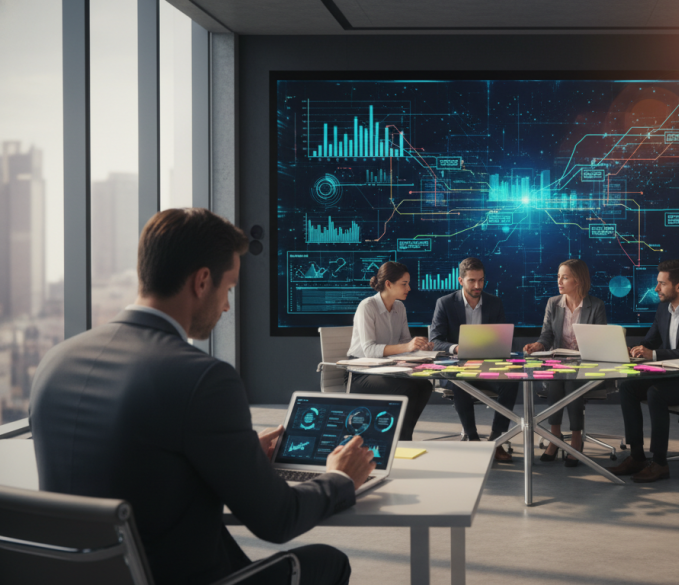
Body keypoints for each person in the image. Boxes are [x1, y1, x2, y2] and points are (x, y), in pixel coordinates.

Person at [29, 208, 376, 585]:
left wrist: (236, 452)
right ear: (202, 281)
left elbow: (133, 462)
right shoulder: (203, 378)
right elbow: (278, 519)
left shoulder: (55, 361)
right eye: (228, 289)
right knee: (328, 561)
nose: (227, 305)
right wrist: (340, 477)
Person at [607, 259, 679, 483]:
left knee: (656, 393)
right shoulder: (663, 308)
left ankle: (660, 463)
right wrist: (633, 350)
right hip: (673, 376)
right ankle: (637, 457)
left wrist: (652, 355)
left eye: (662, 284)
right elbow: (650, 340)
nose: (656, 289)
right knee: (628, 388)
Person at [428, 258, 517, 461]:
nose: (477, 286)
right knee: (461, 383)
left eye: (481, 280)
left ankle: (497, 440)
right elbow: (435, 341)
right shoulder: (445, 303)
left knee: (511, 383)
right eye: (472, 281)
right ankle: (473, 439)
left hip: (487, 367)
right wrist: (457, 348)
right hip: (457, 368)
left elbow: (502, 338)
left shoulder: (494, 303)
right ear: (460, 280)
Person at [523, 259, 607, 467]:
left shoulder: (595, 305)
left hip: (585, 364)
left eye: (565, 277)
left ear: (577, 280)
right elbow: (547, 336)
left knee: (571, 381)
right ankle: (555, 437)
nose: (559, 281)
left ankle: (576, 439)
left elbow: (600, 341)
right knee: (556, 378)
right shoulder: (553, 303)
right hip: (559, 363)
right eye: (558, 276)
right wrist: (537, 346)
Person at [348, 261, 434, 441]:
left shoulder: (400, 307)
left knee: (424, 385)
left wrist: (419, 348)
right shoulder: (367, 306)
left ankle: (403, 435)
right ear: (388, 284)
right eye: (404, 284)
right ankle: (401, 440)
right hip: (360, 372)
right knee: (406, 388)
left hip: (386, 368)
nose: (409, 288)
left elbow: (404, 341)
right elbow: (369, 349)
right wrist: (408, 346)